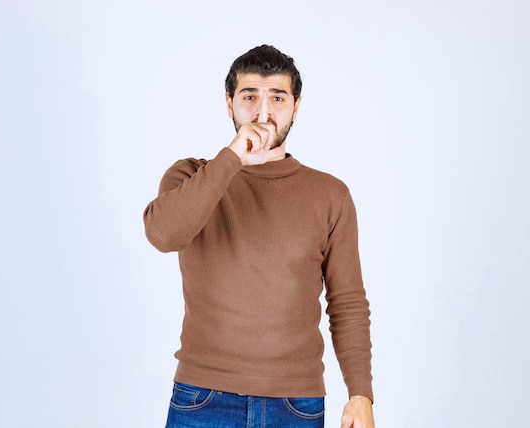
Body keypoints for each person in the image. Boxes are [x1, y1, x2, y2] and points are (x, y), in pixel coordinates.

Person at [143, 44, 374, 428]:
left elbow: (347, 302)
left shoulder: (330, 194)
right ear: (229, 103)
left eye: (277, 98)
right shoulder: (191, 176)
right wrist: (232, 157)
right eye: (250, 96)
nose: (263, 111)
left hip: (296, 405)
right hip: (202, 396)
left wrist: (360, 394)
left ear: (296, 107)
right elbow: (163, 235)